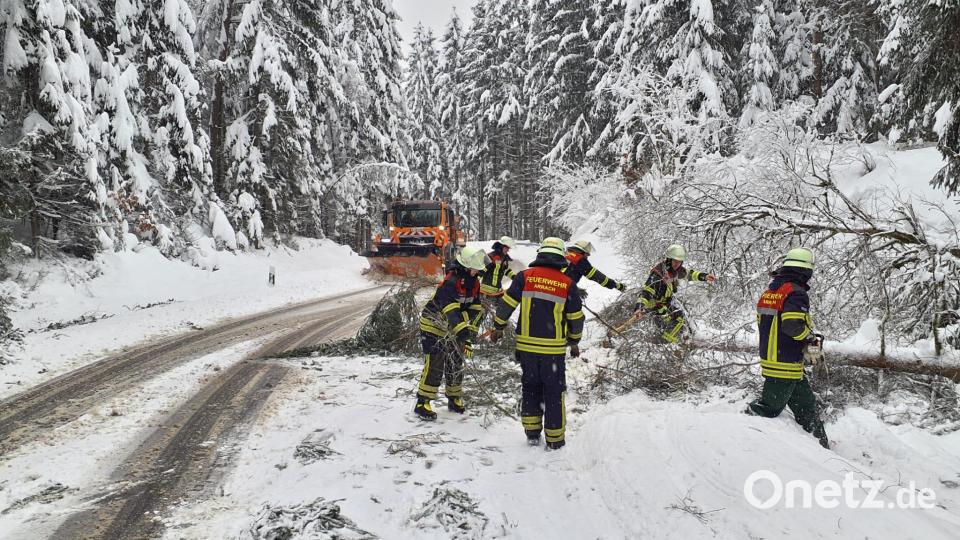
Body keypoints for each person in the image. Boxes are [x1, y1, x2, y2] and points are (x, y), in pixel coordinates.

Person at [490, 237, 584, 450]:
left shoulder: (525, 277)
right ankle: (555, 439)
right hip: (553, 350)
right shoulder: (567, 284)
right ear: (561, 257)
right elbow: (576, 318)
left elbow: (507, 304)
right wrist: (574, 341)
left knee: (530, 388)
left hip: (526, 348)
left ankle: (532, 433)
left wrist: (498, 327)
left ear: (540, 254)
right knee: (553, 391)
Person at [746, 247, 830, 449]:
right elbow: (792, 325)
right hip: (785, 362)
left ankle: (822, 446)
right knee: (769, 408)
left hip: (777, 359)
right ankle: (740, 428)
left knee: (807, 406)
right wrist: (809, 339)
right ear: (805, 271)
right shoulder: (796, 293)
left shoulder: (772, 291)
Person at [414, 246, 488, 420]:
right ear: (466, 266)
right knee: (435, 363)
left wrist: (470, 334)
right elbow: (451, 311)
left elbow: (476, 309)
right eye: (476, 267)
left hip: (453, 326)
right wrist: (463, 334)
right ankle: (422, 402)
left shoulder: (474, 282)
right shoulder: (451, 281)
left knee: (455, 361)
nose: (479, 270)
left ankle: (454, 398)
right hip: (434, 325)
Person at [633, 244, 716, 343]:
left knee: (681, 317)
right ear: (669, 260)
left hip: (665, 305)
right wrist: (639, 307)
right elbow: (646, 292)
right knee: (677, 320)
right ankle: (666, 344)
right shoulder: (658, 274)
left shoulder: (675, 270)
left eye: (679, 262)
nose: (677, 264)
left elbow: (689, 274)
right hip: (654, 308)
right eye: (675, 261)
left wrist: (704, 276)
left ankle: (678, 340)